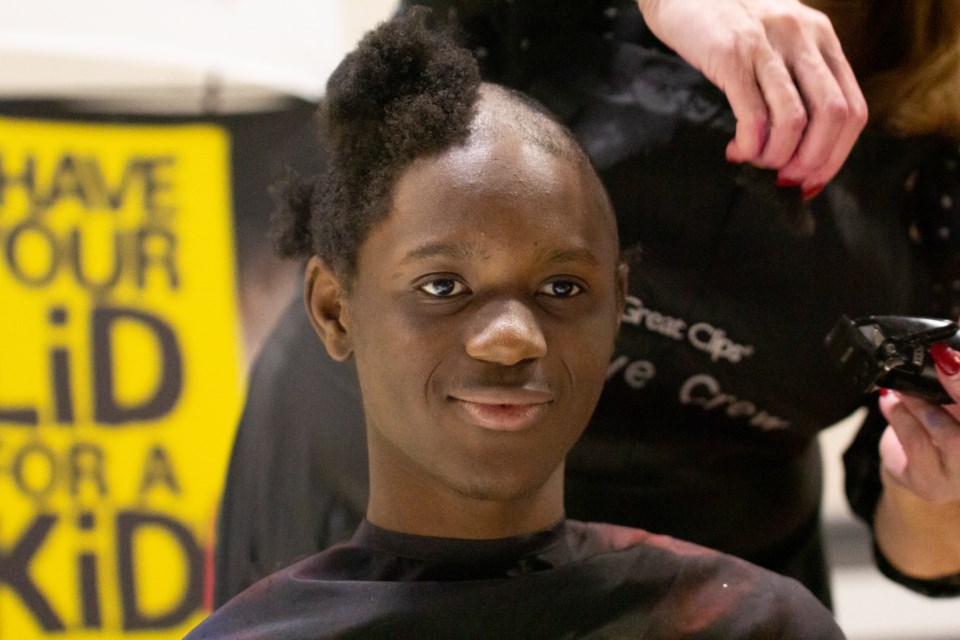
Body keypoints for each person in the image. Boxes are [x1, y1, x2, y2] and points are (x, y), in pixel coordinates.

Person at [214, 0, 960, 609]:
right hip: (383, 496)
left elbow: (915, 526)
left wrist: (934, 486)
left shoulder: (944, 111)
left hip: (703, 580)